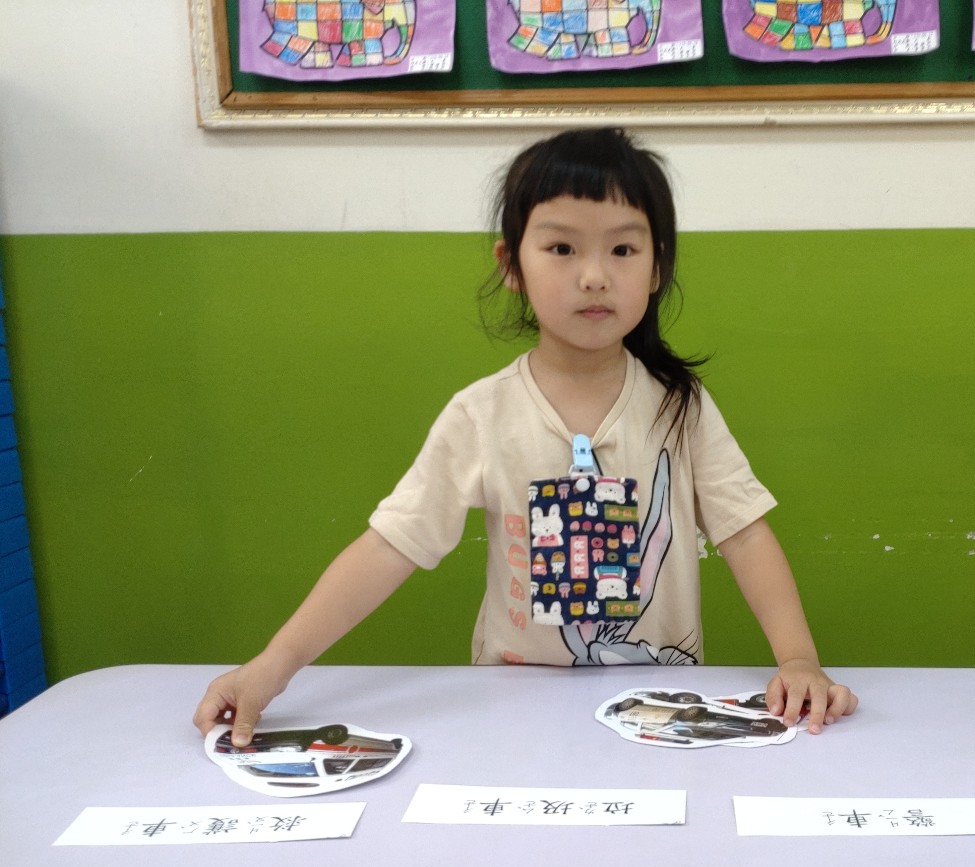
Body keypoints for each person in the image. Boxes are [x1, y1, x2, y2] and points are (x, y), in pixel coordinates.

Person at [193, 127, 857, 746]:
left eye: (623, 249)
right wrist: (272, 667)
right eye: (562, 248)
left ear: (657, 267)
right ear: (512, 264)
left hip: (656, 710)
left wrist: (799, 660)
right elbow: (391, 546)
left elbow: (744, 532)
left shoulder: (680, 408)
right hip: (512, 712)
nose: (594, 275)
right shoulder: (481, 414)